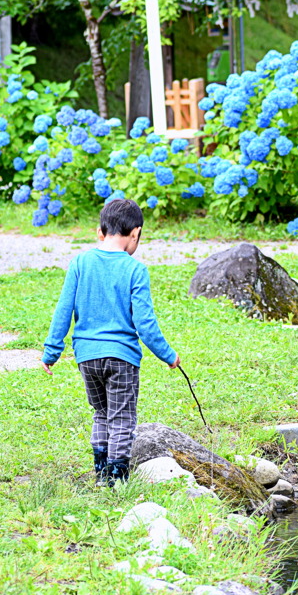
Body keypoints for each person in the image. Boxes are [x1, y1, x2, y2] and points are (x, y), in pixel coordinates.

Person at [42, 198, 180, 485]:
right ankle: (117, 481)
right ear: (135, 234)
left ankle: (101, 475)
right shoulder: (135, 270)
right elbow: (145, 324)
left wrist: (52, 351)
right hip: (122, 358)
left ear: (100, 232)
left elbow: (63, 310)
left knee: (102, 413)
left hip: (87, 357)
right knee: (122, 419)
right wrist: (168, 355)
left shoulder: (80, 262)